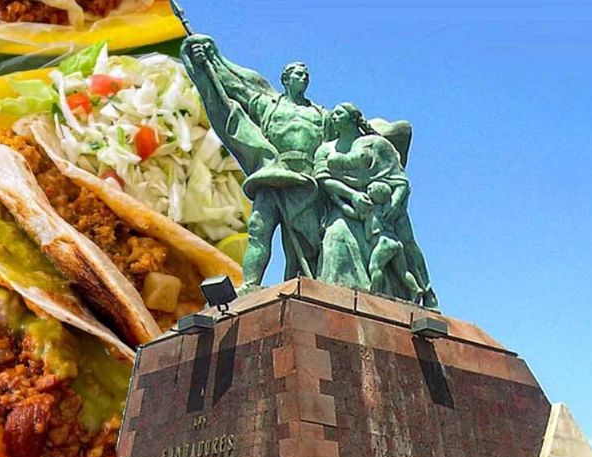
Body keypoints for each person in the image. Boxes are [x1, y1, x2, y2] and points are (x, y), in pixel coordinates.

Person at [181, 35, 329, 292]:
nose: (303, 78)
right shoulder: (269, 105)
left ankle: (309, 288)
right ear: (285, 80)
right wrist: (207, 62)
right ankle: (250, 284)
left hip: (306, 183)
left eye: (306, 75)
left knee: (308, 244)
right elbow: (234, 87)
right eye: (297, 74)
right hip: (272, 172)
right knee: (259, 230)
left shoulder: (321, 114)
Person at [314, 102, 438, 307]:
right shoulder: (324, 149)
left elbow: (400, 180)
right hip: (345, 202)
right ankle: (346, 297)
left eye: (339, 114)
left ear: (353, 118)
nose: (334, 118)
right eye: (333, 115)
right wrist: (352, 195)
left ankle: (427, 291)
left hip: (386, 204)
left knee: (408, 245)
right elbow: (323, 180)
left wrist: (393, 207)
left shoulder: (376, 144)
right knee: (335, 237)